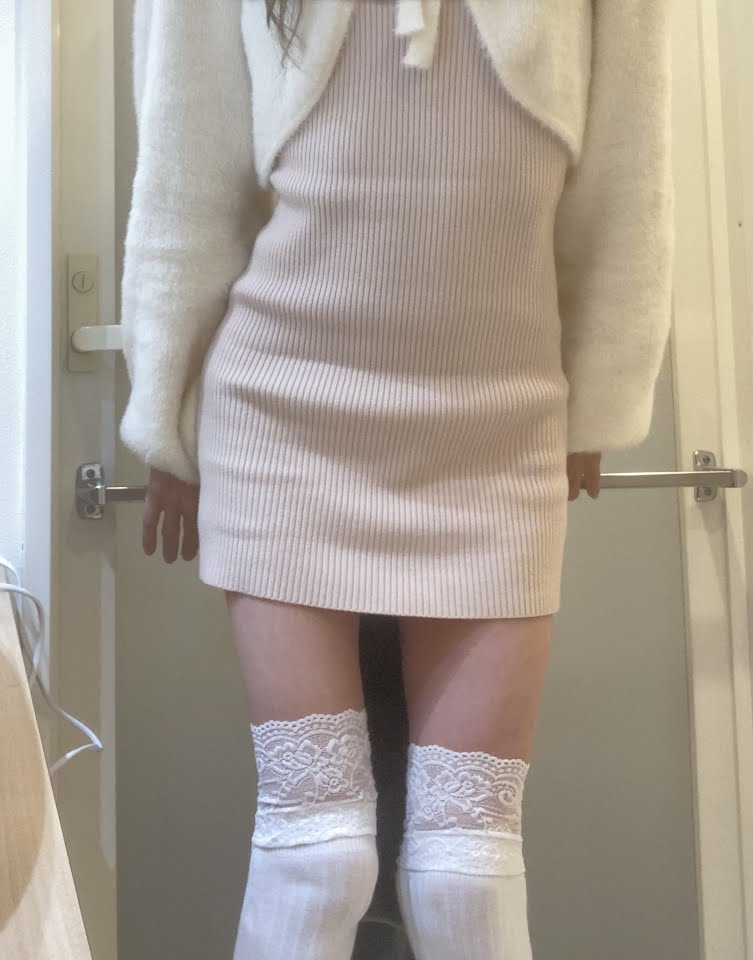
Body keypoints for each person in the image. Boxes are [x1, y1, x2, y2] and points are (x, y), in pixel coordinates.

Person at [120, 1, 673, 957]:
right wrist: (164, 414)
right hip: (284, 414)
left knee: (467, 867)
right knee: (316, 854)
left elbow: (631, 171)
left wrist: (603, 394)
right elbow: (184, 168)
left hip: (499, 422)